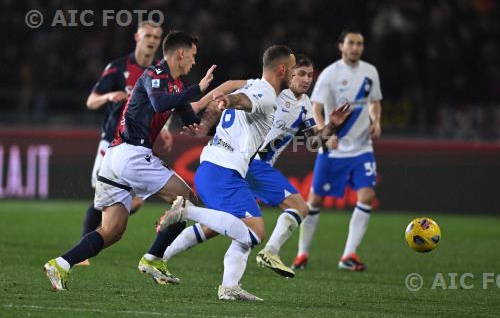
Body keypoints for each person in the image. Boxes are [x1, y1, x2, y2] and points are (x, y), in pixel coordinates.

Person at [43, 30, 218, 290]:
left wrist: (212, 117)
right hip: (130, 154)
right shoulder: (154, 75)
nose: (194, 62)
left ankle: (60, 264)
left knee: (112, 231)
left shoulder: (177, 86)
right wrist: (199, 89)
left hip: (116, 159)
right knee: (186, 200)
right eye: (192, 56)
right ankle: (153, 259)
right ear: (180, 53)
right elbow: (159, 103)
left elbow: (190, 118)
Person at [161, 54, 350, 280]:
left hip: (249, 165)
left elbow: (313, 142)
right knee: (299, 207)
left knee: (220, 226)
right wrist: (202, 105)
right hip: (253, 163)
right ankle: (270, 252)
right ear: (287, 72)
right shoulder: (274, 91)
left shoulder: (305, 105)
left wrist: (332, 126)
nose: (305, 79)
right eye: (299, 73)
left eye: (309, 75)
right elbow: (233, 87)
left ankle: (160, 257)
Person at [160, 45, 296, 301]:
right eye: (293, 68)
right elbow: (242, 101)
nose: (295, 73)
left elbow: (233, 85)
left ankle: (229, 286)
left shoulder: (254, 83)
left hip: (217, 168)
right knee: (254, 232)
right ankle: (186, 211)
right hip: (224, 170)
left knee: (242, 233)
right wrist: (230, 101)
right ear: (282, 70)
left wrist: (204, 104)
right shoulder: (265, 95)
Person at [79, 21, 168, 267]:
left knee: (135, 200)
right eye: (148, 35)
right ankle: (85, 248)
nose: (152, 40)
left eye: (157, 37)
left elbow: (163, 103)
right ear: (137, 36)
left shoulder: (160, 72)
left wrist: (167, 129)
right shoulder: (119, 68)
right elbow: (91, 101)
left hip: (139, 144)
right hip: (111, 142)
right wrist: (109, 96)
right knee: (101, 195)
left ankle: (98, 234)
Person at [292, 30, 383, 272]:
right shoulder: (331, 74)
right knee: (314, 201)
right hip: (335, 148)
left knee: (366, 196)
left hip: (363, 148)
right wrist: (325, 132)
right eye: (351, 43)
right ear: (341, 46)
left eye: (360, 43)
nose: (355, 47)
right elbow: (317, 107)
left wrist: (376, 121)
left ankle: (348, 255)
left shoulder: (370, 72)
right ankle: (302, 254)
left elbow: (374, 101)